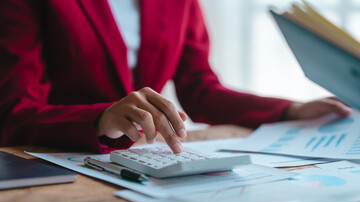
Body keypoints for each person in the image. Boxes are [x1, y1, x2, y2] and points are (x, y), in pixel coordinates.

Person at [0, 0, 352, 154]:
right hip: (57, 159)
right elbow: (15, 112)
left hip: (144, 161)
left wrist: (290, 110)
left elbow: (200, 87)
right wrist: (101, 119)